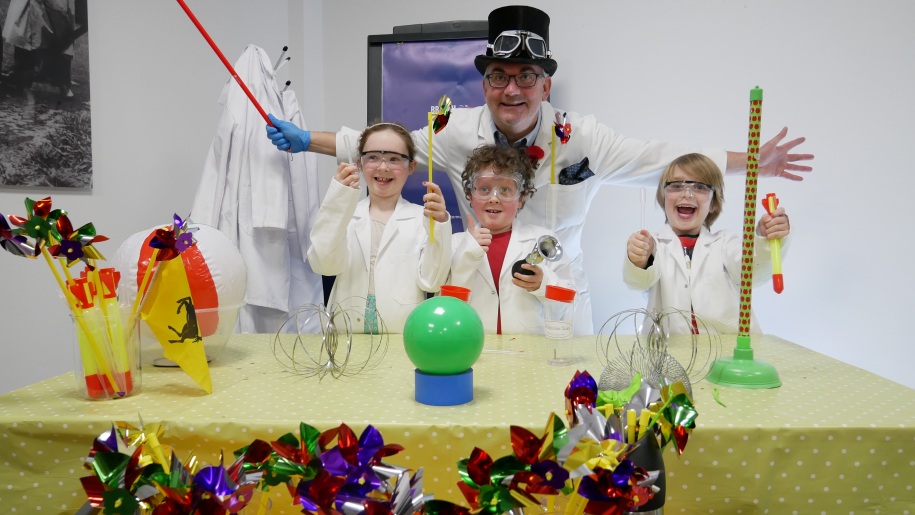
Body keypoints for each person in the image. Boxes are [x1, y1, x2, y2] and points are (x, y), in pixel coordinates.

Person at [265, 5, 813, 335]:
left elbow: (661, 159)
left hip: (560, 292)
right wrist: (306, 139)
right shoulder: (456, 130)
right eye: (500, 76)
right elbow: (388, 146)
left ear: (545, 85)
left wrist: (753, 160)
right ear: (484, 85)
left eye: (526, 76)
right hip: (474, 290)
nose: (512, 89)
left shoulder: (586, 137)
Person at [306, 122, 452, 333]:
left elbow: (431, 282)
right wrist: (336, 202)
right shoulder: (344, 215)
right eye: (373, 157)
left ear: (411, 166)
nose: (383, 167)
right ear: (360, 163)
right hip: (347, 336)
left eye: (394, 159)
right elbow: (324, 264)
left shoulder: (422, 219)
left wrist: (439, 226)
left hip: (402, 337)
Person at [623, 153, 790, 334]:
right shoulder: (653, 245)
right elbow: (638, 282)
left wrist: (765, 239)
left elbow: (751, 273)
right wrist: (639, 259)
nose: (687, 193)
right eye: (677, 186)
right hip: (671, 355)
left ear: (713, 204)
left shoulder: (724, 243)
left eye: (700, 187)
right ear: (664, 197)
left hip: (727, 353)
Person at [449, 144, 572, 334]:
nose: (494, 198)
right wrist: (465, 257)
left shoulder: (544, 241)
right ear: (470, 195)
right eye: (484, 189)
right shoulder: (454, 244)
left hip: (528, 351)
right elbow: (448, 306)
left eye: (506, 190)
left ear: (521, 197)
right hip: (472, 346)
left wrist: (543, 283)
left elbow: (568, 306)